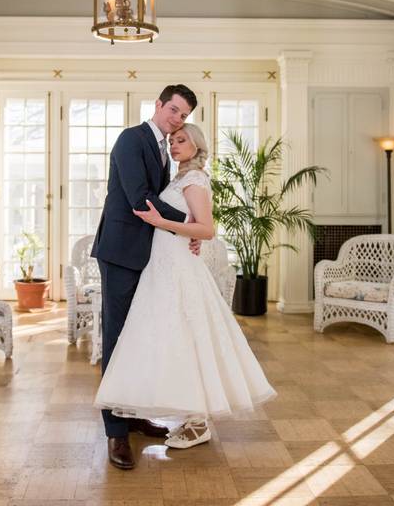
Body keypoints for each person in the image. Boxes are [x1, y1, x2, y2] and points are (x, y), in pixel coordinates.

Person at [93, 122, 276, 468]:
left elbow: (206, 228)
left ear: (197, 147)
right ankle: (148, 411)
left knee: (187, 338)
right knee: (164, 340)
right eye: (174, 139)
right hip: (158, 266)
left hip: (176, 267)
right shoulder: (174, 176)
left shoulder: (194, 179)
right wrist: (182, 227)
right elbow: (187, 220)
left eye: (183, 140)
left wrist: (172, 225)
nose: (175, 144)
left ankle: (198, 420)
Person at [90, 84, 201, 470]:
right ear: (158, 105)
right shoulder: (130, 139)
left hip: (146, 256)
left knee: (137, 338)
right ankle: (115, 432)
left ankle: (132, 413)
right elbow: (140, 200)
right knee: (118, 338)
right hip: (120, 253)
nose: (176, 119)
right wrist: (190, 226)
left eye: (183, 115)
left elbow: (160, 198)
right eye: (173, 110)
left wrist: (184, 232)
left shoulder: (164, 151)